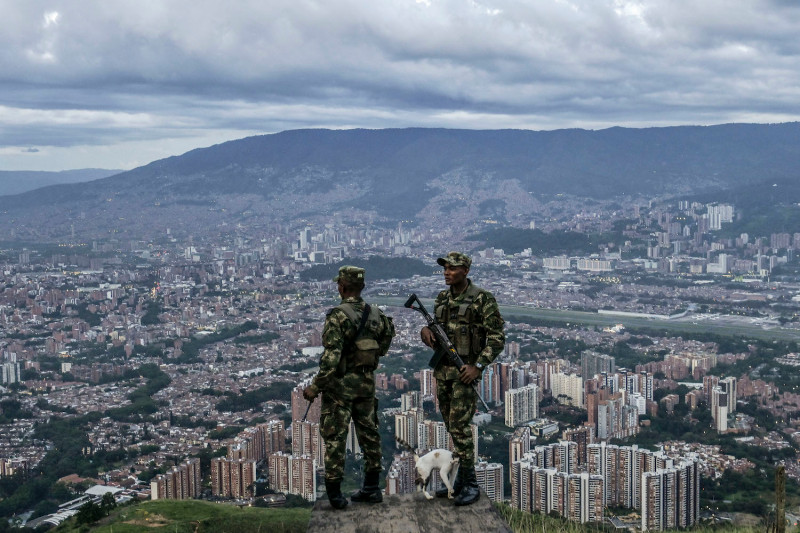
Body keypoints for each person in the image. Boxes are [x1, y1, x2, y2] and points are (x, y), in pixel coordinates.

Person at [303, 265, 395, 510]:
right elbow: (385, 341)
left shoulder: (337, 316)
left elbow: (331, 358)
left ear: (341, 287)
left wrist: (315, 386)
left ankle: (335, 495)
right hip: (366, 384)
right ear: (362, 287)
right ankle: (372, 488)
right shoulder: (376, 314)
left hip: (340, 388)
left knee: (335, 438)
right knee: (370, 435)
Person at [419, 251, 505, 506]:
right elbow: (437, 328)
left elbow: (497, 338)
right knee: (452, 426)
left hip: (464, 375)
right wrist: (425, 330)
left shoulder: (482, 299)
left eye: (452, 268)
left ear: (466, 271)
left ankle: (470, 484)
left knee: (460, 429)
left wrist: (478, 366)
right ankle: (458, 483)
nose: (446, 272)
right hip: (443, 373)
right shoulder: (442, 299)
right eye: (444, 268)